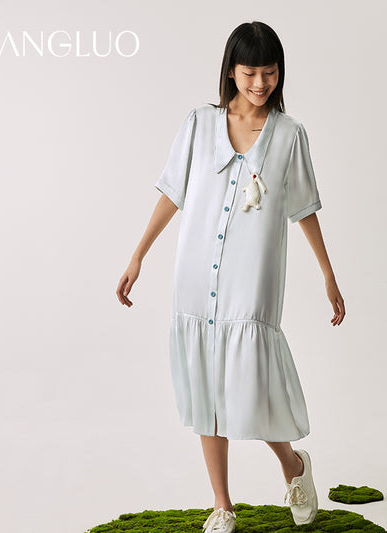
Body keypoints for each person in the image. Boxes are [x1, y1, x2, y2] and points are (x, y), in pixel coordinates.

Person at [116, 20, 345, 533]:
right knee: (206, 388)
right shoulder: (199, 124)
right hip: (196, 272)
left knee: (250, 384)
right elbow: (172, 193)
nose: (260, 83)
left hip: (252, 276)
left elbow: (304, 209)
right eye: (249, 72)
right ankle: (222, 504)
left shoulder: (289, 135)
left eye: (270, 72)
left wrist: (328, 275)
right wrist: (138, 256)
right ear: (231, 72)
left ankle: (293, 465)